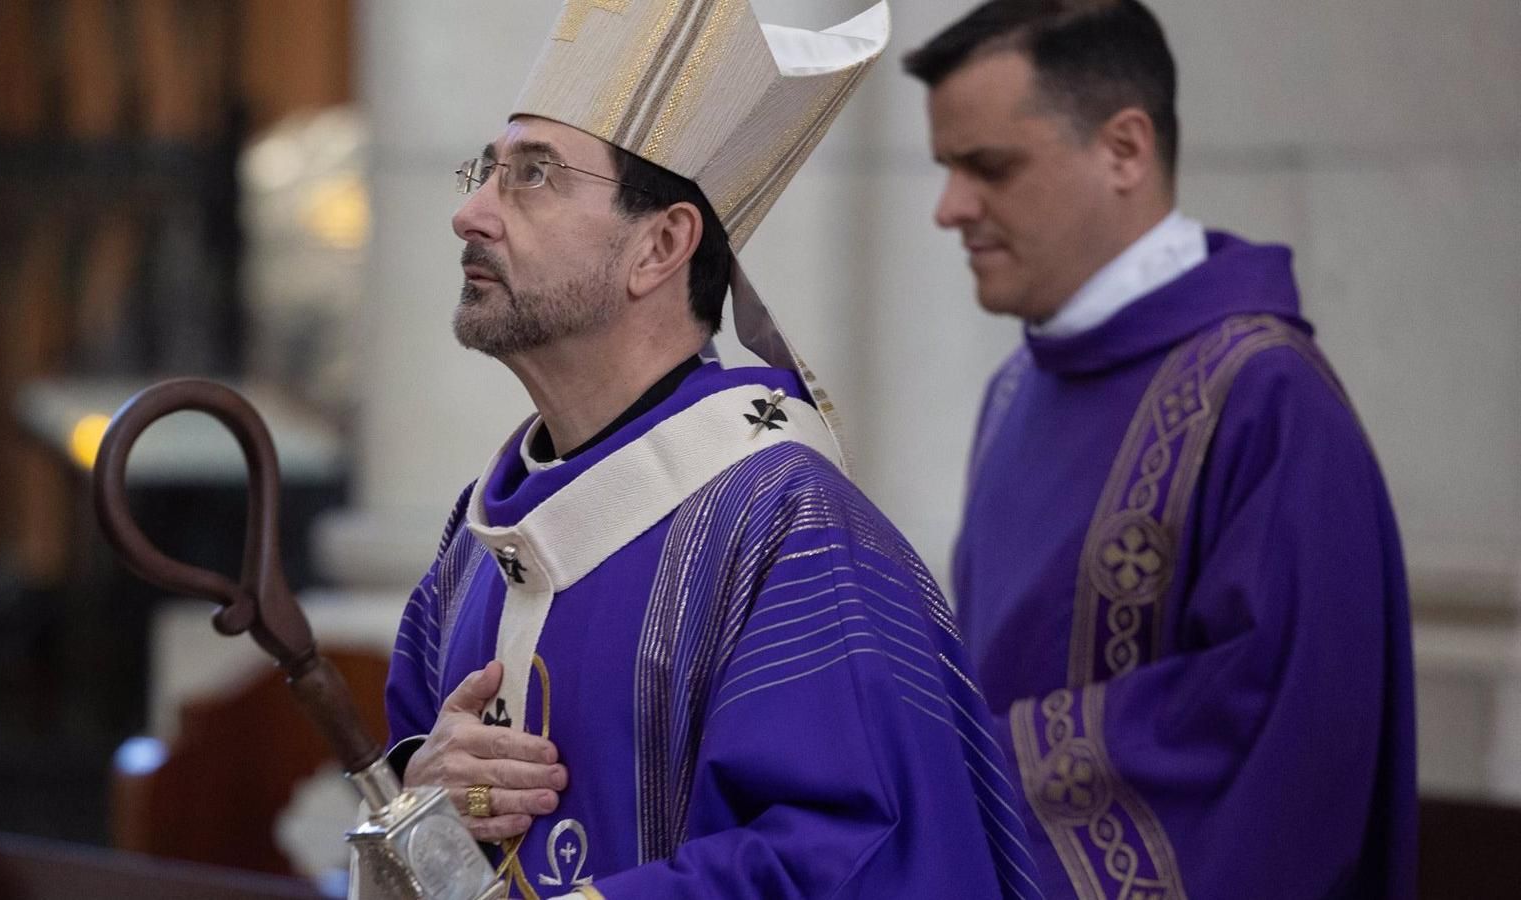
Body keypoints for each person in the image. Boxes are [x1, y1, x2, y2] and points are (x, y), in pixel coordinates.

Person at [373, 2, 1039, 897]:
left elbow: (854, 859)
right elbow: (418, 861)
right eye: (485, 171)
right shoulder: (476, 546)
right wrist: (422, 804)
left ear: (662, 244)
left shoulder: (788, 531)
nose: (471, 214)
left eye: (533, 175)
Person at [903, 1, 1416, 897]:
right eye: (947, 168)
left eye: (988, 167)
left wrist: (954, 780)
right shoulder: (1016, 391)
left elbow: (1282, 744)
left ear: (1126, 150)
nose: (951, 208)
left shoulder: (1266, 396)